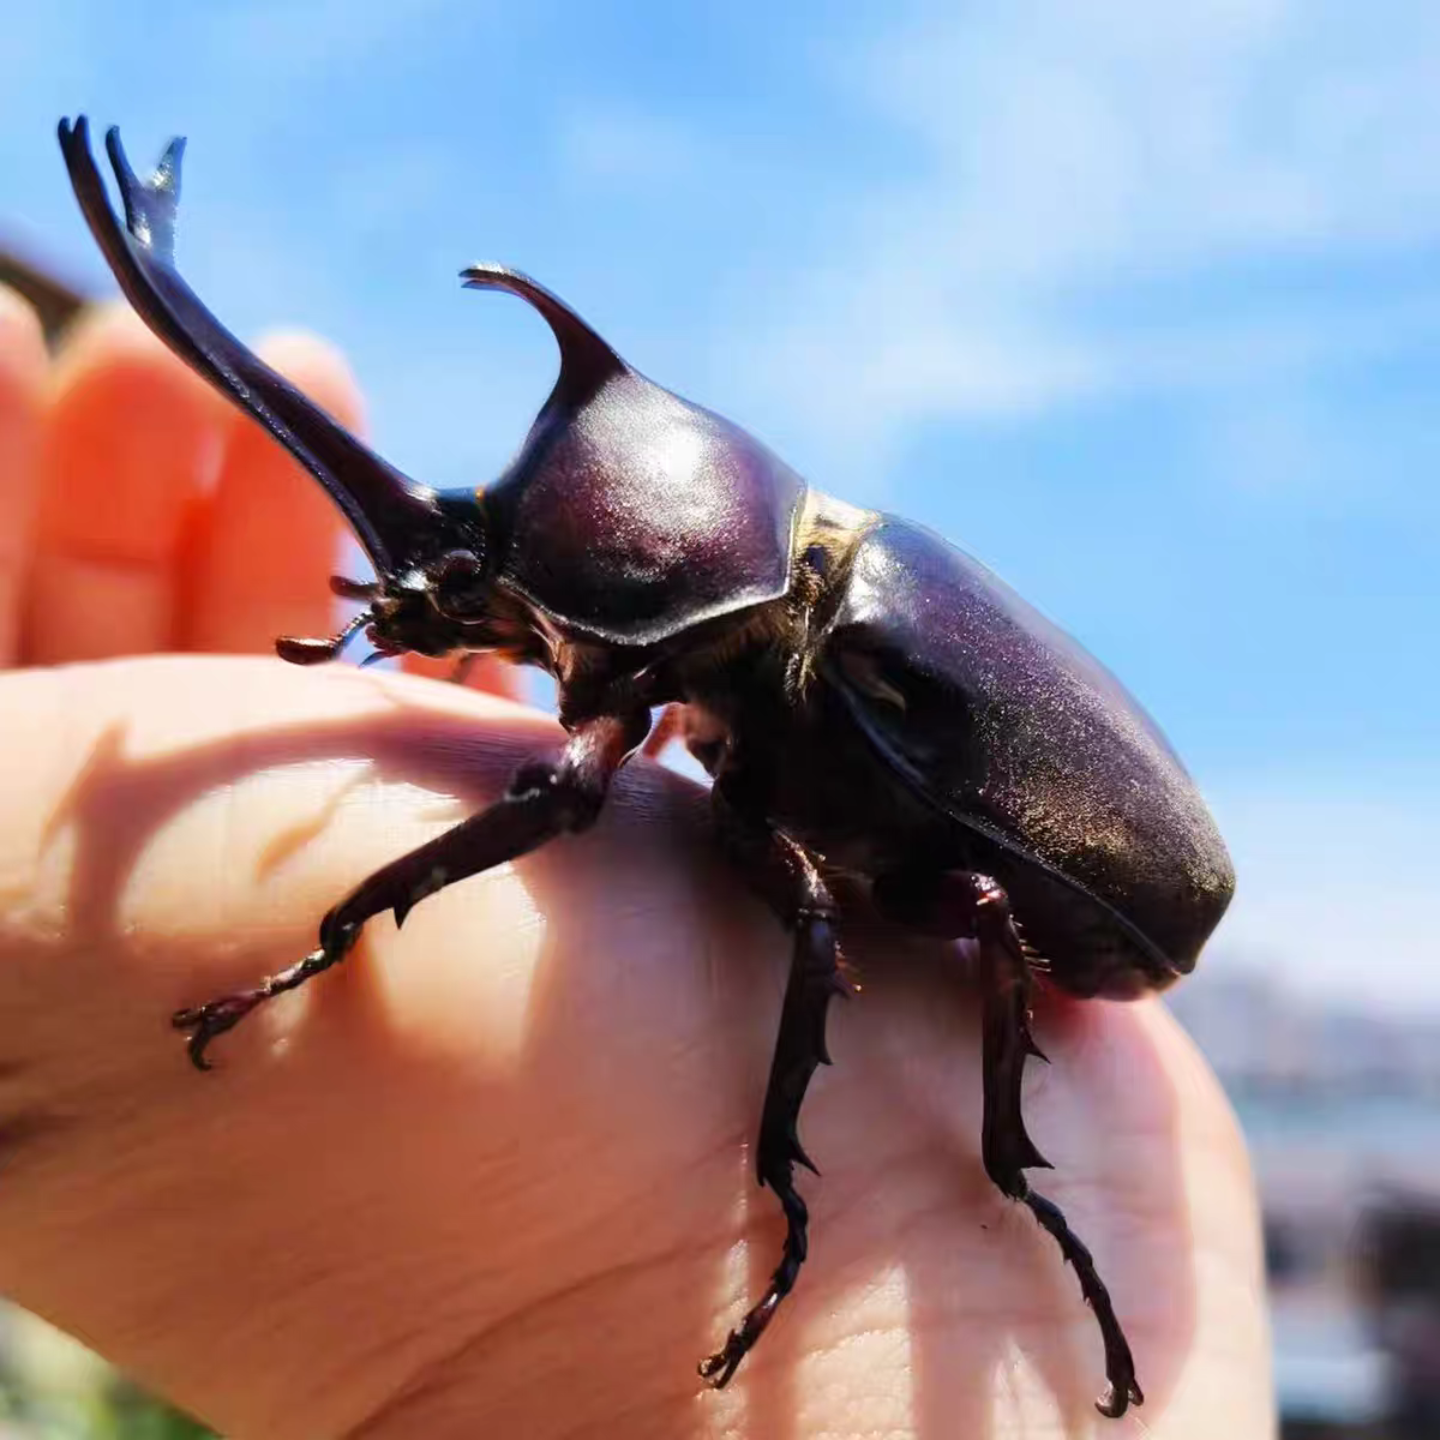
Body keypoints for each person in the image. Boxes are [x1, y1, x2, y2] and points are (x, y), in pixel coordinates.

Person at [0, 288, 1273, 1438]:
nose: (457, 597)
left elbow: (576, 802)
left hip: (1118, 907)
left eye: (484, 577)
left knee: (903, 910)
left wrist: (326, 938)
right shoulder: (740, 602)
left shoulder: (838, 628)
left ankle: (964, 1175)